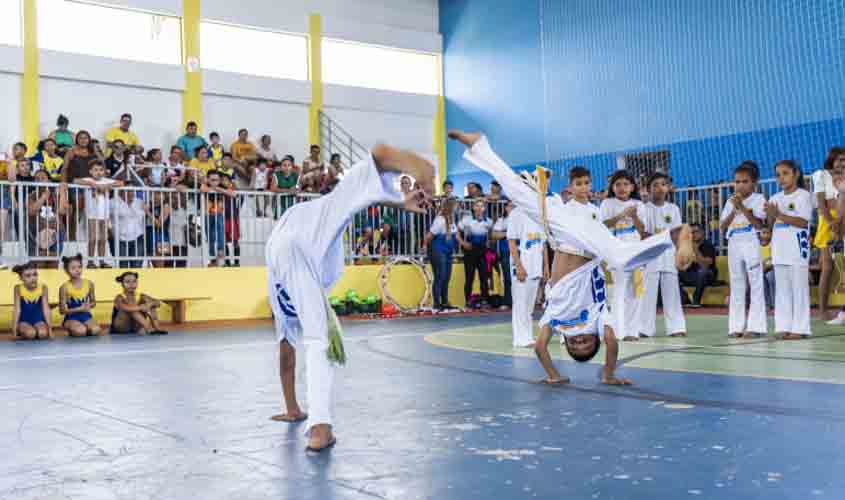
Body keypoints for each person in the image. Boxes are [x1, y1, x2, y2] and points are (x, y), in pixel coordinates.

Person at [448, 130, 694, 386]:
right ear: (594, 337)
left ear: (565, 342)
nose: (580, 340)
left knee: (518, 193)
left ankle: (479, 146)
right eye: (586, 343)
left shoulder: (555, 320)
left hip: (563, 233)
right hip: (587, 245)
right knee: (621, 258)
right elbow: (612, 343)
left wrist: (554, 374)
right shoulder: (598, 319)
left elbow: (540, 347)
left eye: (575, 346)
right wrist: (608, 374)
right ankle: (675, 234)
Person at [266, 142, 434, 452]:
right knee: (318, 339)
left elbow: (286, 356)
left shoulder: (286, 302)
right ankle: (320, 427)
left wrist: (292, 408)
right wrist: (399, 200)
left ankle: (318, 427)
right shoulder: (299, 292)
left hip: (287, 245)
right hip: (294, 235)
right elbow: (287, 355)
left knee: (342, 205)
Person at [720, 161, 767, 338]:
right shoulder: (729, 201)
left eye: (744, 181)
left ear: (754, 183)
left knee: (755, 284)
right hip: (734, 242)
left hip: (751, 241)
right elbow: (723, 226)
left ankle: (756, 326)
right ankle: (736, 326)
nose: (740, 185)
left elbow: (758, 223)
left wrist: (742, 208)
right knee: (737, 284)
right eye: (737, 181)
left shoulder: (759, 199)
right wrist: (733, 209)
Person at [766, 160, 812, 340]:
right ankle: (783, 326)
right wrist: (770, 215)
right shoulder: (775, 198)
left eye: (785, 173)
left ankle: (800, 328)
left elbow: (803, 222)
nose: (781, 178)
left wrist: (778, 214)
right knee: (782, 290)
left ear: (796, 174)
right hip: (779, 249)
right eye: (778, 175)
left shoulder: (803, 196)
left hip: (797, 249)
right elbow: (771, 225)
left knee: (799, 289)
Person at [600, 170, 647, 341]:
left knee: (636, 292)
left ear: (632, 187)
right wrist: (620, 216)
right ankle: (618, 332)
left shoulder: (639, 205)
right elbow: (603, 226)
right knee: (619, 292)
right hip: (617, 253)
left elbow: (643, 231)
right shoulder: (607, 204)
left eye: (626, 184)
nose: (622, 188)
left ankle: (632, 331)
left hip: (635, 253)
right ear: (612, 187)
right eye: (618, 184)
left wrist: (634, 217)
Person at [640, 172, 687, 338]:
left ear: (668, 188)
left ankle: (676, 327)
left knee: (672, 291)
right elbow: (643, 234)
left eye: (663, 184)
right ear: (648, 189)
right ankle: (644, 328)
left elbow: (676, 234)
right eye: (655, 185)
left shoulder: (673, 209)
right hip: (650, 255)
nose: (660, 188)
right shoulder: (644, 209)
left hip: (669, 254)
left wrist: (680, 252)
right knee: (647, 293)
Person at [507, 191, 548, 346]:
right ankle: (519, 339)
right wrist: (518, 266)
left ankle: (528, 337)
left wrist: (545, 267)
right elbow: (511, 242)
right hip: (521, 266)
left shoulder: (539, 214)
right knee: (520, 303)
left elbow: (543, 244)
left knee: (530, 305)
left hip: (535, 265)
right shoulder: (516, 214)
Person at [813, 147, 845, 321]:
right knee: (827, 267)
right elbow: (821, 202)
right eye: (839, 159)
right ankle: (822, 310)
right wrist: (832, 222)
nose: (841, 163)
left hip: (843, 219)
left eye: (844, 160)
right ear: (831, 159)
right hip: (827, 222)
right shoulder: (821, 175)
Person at [78, 161, 121, 268]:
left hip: (104, 216)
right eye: (96, 170)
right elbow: (75, 180)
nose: (99, 172)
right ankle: (90, 262)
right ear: (90, 171)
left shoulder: (106, 180)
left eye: (101, 170)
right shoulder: (89, 180)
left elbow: (121, 183)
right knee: (92, 238)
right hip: (92, 215)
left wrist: (107, 186)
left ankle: (102, 261)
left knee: (103, 239)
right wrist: (92, 184)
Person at [423, 198, 462, 311]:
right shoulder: (440, 220)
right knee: (440, 276)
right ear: (450, 207)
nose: (457, 208)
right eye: (456, 206)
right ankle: (436, 303)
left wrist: (464, 244)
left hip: (448, 252)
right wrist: (424, 246)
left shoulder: (451, 220)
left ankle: (445, 301)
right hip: (437, 250)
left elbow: (455, 235)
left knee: (446, 277)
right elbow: (429, 236)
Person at [459, 199, 493, 307]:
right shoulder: (466, 220)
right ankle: (468, 301)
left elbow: (492, 235)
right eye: (477, 206)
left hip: (482, 251)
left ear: (484, 209)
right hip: (470, 251)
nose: (479, 208)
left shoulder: (489, 221)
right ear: (473, 208)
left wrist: (489, 243)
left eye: (481, 206)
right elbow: (456, 233)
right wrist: (463, 243)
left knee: (484, 277)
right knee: (469, 277)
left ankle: (485, 300)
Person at [59, 254, 102, 337]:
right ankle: (72, 329)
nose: (77, 270)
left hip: (86, 316)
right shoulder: (64, 287)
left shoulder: (89, 284)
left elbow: (93, 302)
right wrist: (79, 308)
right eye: (73, 268)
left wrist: (89, 305)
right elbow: (62, 310)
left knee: (96, 330)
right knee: (81, 331)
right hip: (71, 318)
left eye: (79, 267)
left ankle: (84, 328)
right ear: (66, 270)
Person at [678, 224, 718, 306]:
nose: (693, 235)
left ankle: (696, 300)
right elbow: (682, 264)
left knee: (702, 272)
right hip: (692, 275)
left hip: (707, 276)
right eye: (691, 233)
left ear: (702, 232)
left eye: (695, 232)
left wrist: (696, 250)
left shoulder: (708, 245)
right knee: (672, 274)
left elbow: (706, 265)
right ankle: (685, 298)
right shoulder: (687, 246)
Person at [11, 262, 52, 340]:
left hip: (38, 320)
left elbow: (46, 309)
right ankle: (24, 331)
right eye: (28, 276)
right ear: (21, 278)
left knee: (43, 334)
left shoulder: (43, 288)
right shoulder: (18, 288)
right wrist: (14, 331)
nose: (33, 278)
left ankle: (35, 332)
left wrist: (50, 330)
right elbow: (17, 309)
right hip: (23, 321)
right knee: (30, 334)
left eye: (35, 274)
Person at [202, 170, 235, 267]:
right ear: (208, 179)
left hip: (219, 214)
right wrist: (214, 188)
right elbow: (202, 189)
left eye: (216, 180)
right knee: (210, 237)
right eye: (212, 180)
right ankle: (212, 259)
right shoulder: (205, 184)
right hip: (207, 214)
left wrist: (216, 188)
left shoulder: (220, 186)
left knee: (220, 233)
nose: (214, 182)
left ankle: (220, 255)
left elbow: (233, 194)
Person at [111, 190, 146, 268]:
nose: (132, 193)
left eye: (132, 191)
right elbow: (109, 217)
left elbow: (143, 215)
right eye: (129, 191)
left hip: (138, 237)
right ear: (121, 192)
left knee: (137, 266)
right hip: (120, 239)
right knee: (123, 266)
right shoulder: (113, 202)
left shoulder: (139, 202)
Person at [491, 199, 514, 311]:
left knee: (520, 279)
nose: (512, 208)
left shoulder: (523, 220)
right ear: (506, 208)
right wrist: (509, 233)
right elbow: (494, 234)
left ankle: (520, 302)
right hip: (506, 253)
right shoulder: (502, 220)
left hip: (521, 253)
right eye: (510, 206)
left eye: (514, 206)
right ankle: (507, 301)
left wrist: (504, 234)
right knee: (507, 278)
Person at [759, 226, 775, 310]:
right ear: (760, 234)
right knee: (760, 278)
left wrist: (766, 264)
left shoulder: (773, 244)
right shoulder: (757, 245)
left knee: (770, 277)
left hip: (772, 268)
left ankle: (774, 303)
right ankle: (767, 303)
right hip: (762, 269)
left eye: (767, 233)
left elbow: (774, 258)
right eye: (763, 233)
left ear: (771, 234)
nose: (765, 235)